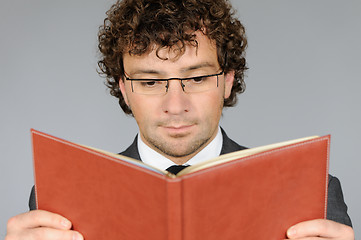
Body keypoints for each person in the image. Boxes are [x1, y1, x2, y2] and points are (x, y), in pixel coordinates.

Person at [6, 0, 354, 239]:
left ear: (228, 80)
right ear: (125, 89)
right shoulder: (59, 201)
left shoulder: (314, 194)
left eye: (198, 78)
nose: (175, 105)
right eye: (151, 81)